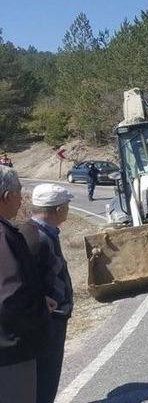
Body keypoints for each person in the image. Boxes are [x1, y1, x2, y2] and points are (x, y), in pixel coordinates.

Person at [0, 166, 48, 403]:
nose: (22, 199)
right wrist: (38, 310)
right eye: (19, 192)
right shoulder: (4, 235)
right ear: (7, 196)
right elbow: (11, 295)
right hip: (11, 349)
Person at [23, 184, 75, 403]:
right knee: (46, 376)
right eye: (67, 205)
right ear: (58, 209)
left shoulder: (41, 232)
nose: (68, 209)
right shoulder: (37, 238)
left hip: (52, 316)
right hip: (47, 319)